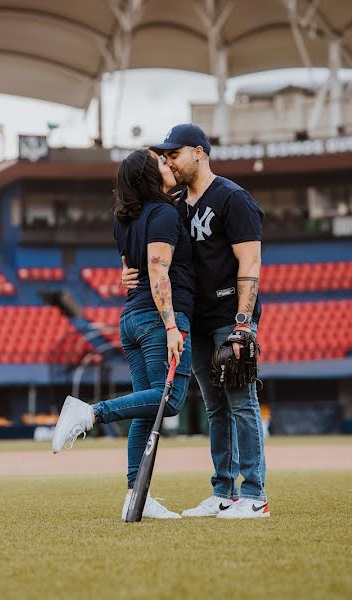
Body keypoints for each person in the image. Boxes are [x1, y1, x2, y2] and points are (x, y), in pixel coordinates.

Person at [123, 124, 269, 519]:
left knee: (241, 403)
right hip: (195, 319)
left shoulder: (232, 197)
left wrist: (243, 322)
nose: (169, 160)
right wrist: (127, 273)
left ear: (200, 152)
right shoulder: (174, 204)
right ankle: (223, 491)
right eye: (165, 155)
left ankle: (254, 495)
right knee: (215, 408)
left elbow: (250, 261)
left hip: (228, 316)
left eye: (175, 153)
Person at [51, 148, 196, 520]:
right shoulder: (163, 214)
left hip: (131, 317)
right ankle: (89, 414)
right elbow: (157, 271)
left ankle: (137, 497)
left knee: (146, 409)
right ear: (150, 175)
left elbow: (129, 268)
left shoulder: (124, 218)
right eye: (162, 162)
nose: (169, 164)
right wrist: (171, 326)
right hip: (155, 317)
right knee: (172, 399)